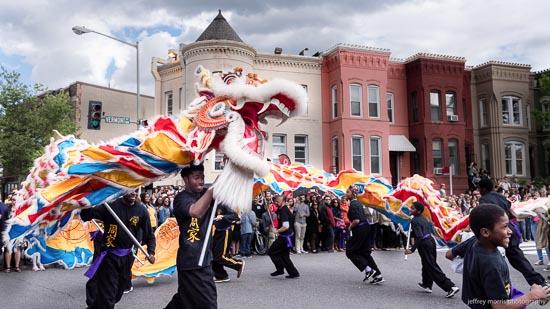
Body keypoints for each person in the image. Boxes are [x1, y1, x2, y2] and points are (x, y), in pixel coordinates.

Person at [459, 204, 550, 308]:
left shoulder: (475, 243)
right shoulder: (491, 263)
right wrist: (532, 296)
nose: (510, 231)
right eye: (505, 227)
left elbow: (450, 254)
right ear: (485, 232)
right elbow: (500, 306)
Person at [80, 191, 156, 309]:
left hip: (127, 257)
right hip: (109, 256)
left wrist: (151, 251)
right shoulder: (110, 206)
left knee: (118, 292)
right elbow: (86, 216)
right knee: (108, 295)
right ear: (123, 190)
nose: (133, 193)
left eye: (136, 190)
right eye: (130, 189)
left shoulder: (141, 210)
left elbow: (149, 234)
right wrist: (87, 202)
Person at [164, 164, 217, 309]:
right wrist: (212, 189)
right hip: (191, 260)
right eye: (196, 177)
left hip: (204, 258)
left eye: (202, 177)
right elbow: (196, 212)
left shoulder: (206, 193)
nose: (201, 181)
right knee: (208, 304)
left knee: (184, 300)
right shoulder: (181, 199)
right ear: (185, 179)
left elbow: (229, 195)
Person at [478, 178, 546, 286]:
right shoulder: (500, 196)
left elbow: (486, 218)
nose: (478, 191)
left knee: (492, 257)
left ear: (483, 188)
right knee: (518, 258)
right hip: (509, 228)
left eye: (479, 188)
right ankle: (539, 282)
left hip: (497, 231)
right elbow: (512, 214)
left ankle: (497, 286)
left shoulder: (483, 200)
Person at [405, 202, 460, 298]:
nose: (410, 210)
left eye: (413, 208)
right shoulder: (423, 218)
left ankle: (450, 286)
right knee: (427, 263)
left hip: (424, 244)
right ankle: (427, 284)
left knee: (431, 266)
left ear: (418, 211)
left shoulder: (415, 221)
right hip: (430, 242)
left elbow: (419, 236)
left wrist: (412, 250)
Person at [345, 186, 384, 284]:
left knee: (350, 251)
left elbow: (356, 220)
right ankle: (378, 275)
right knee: (365, 252)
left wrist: (350, 227)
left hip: (360, 229)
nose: (346, 194)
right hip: (366, 228)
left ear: (353, 194)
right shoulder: (358, 203)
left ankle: (368, 269)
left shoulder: (354, 204)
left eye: (348, 192)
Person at [267, 195, 300, 279]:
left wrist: (277, 231)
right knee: (284, 255)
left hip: (285, 237)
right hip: (286, 236)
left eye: (278, 200)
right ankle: (293, 273)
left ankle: (280, 269)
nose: (276, 202)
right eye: (275, 200)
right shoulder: (281, 209)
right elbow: (277, 218)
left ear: (283, 200)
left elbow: (286, 226)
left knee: (271, 251)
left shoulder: (284, 211)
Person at [211, 204, 244, 283]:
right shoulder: (212, 203)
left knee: (220, 256)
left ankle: (238, 264)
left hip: (224, 231)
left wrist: (223, 216)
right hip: (216, 232)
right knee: (212, 256)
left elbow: (235, 216)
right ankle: (221, 276)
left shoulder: (224, 204)